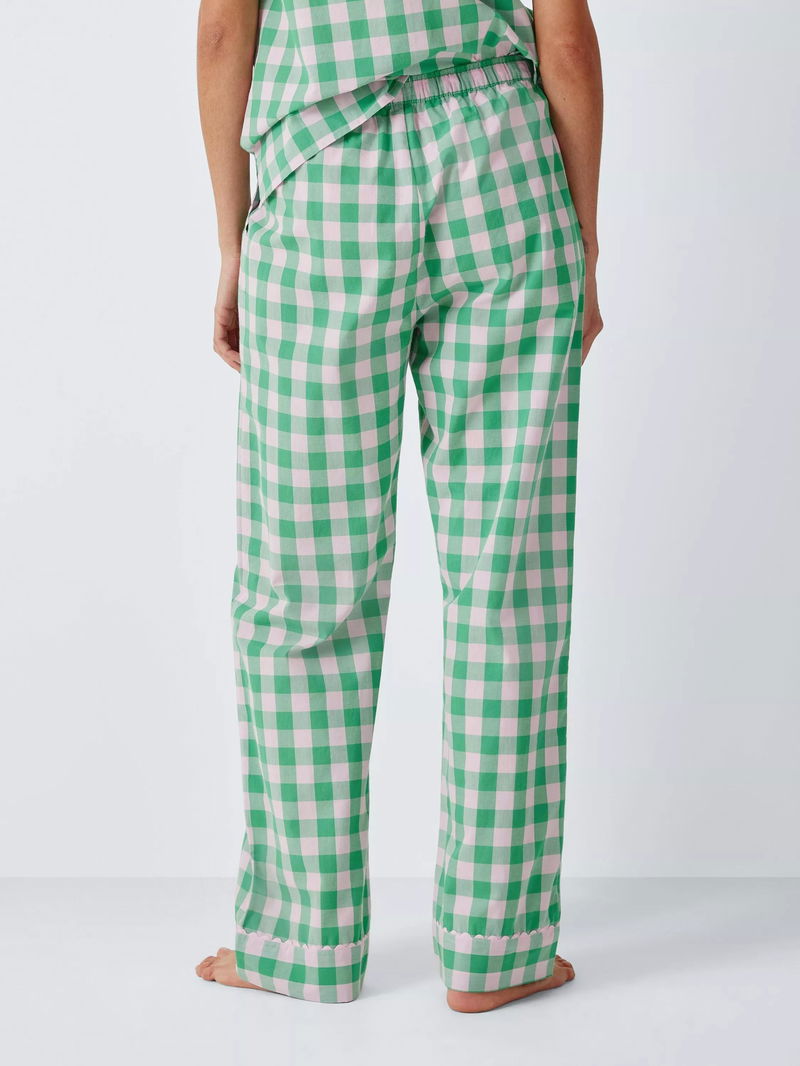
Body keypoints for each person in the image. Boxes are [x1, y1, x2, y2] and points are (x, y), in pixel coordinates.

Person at [195, 0, 602, 1013]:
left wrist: (232, 240)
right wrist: (584, 238)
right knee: (507, 587)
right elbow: (562, 38)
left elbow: (222, 33)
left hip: (326, 177)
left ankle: (302, 942)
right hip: (505, 171)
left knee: (304, 588)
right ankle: (500, 948)